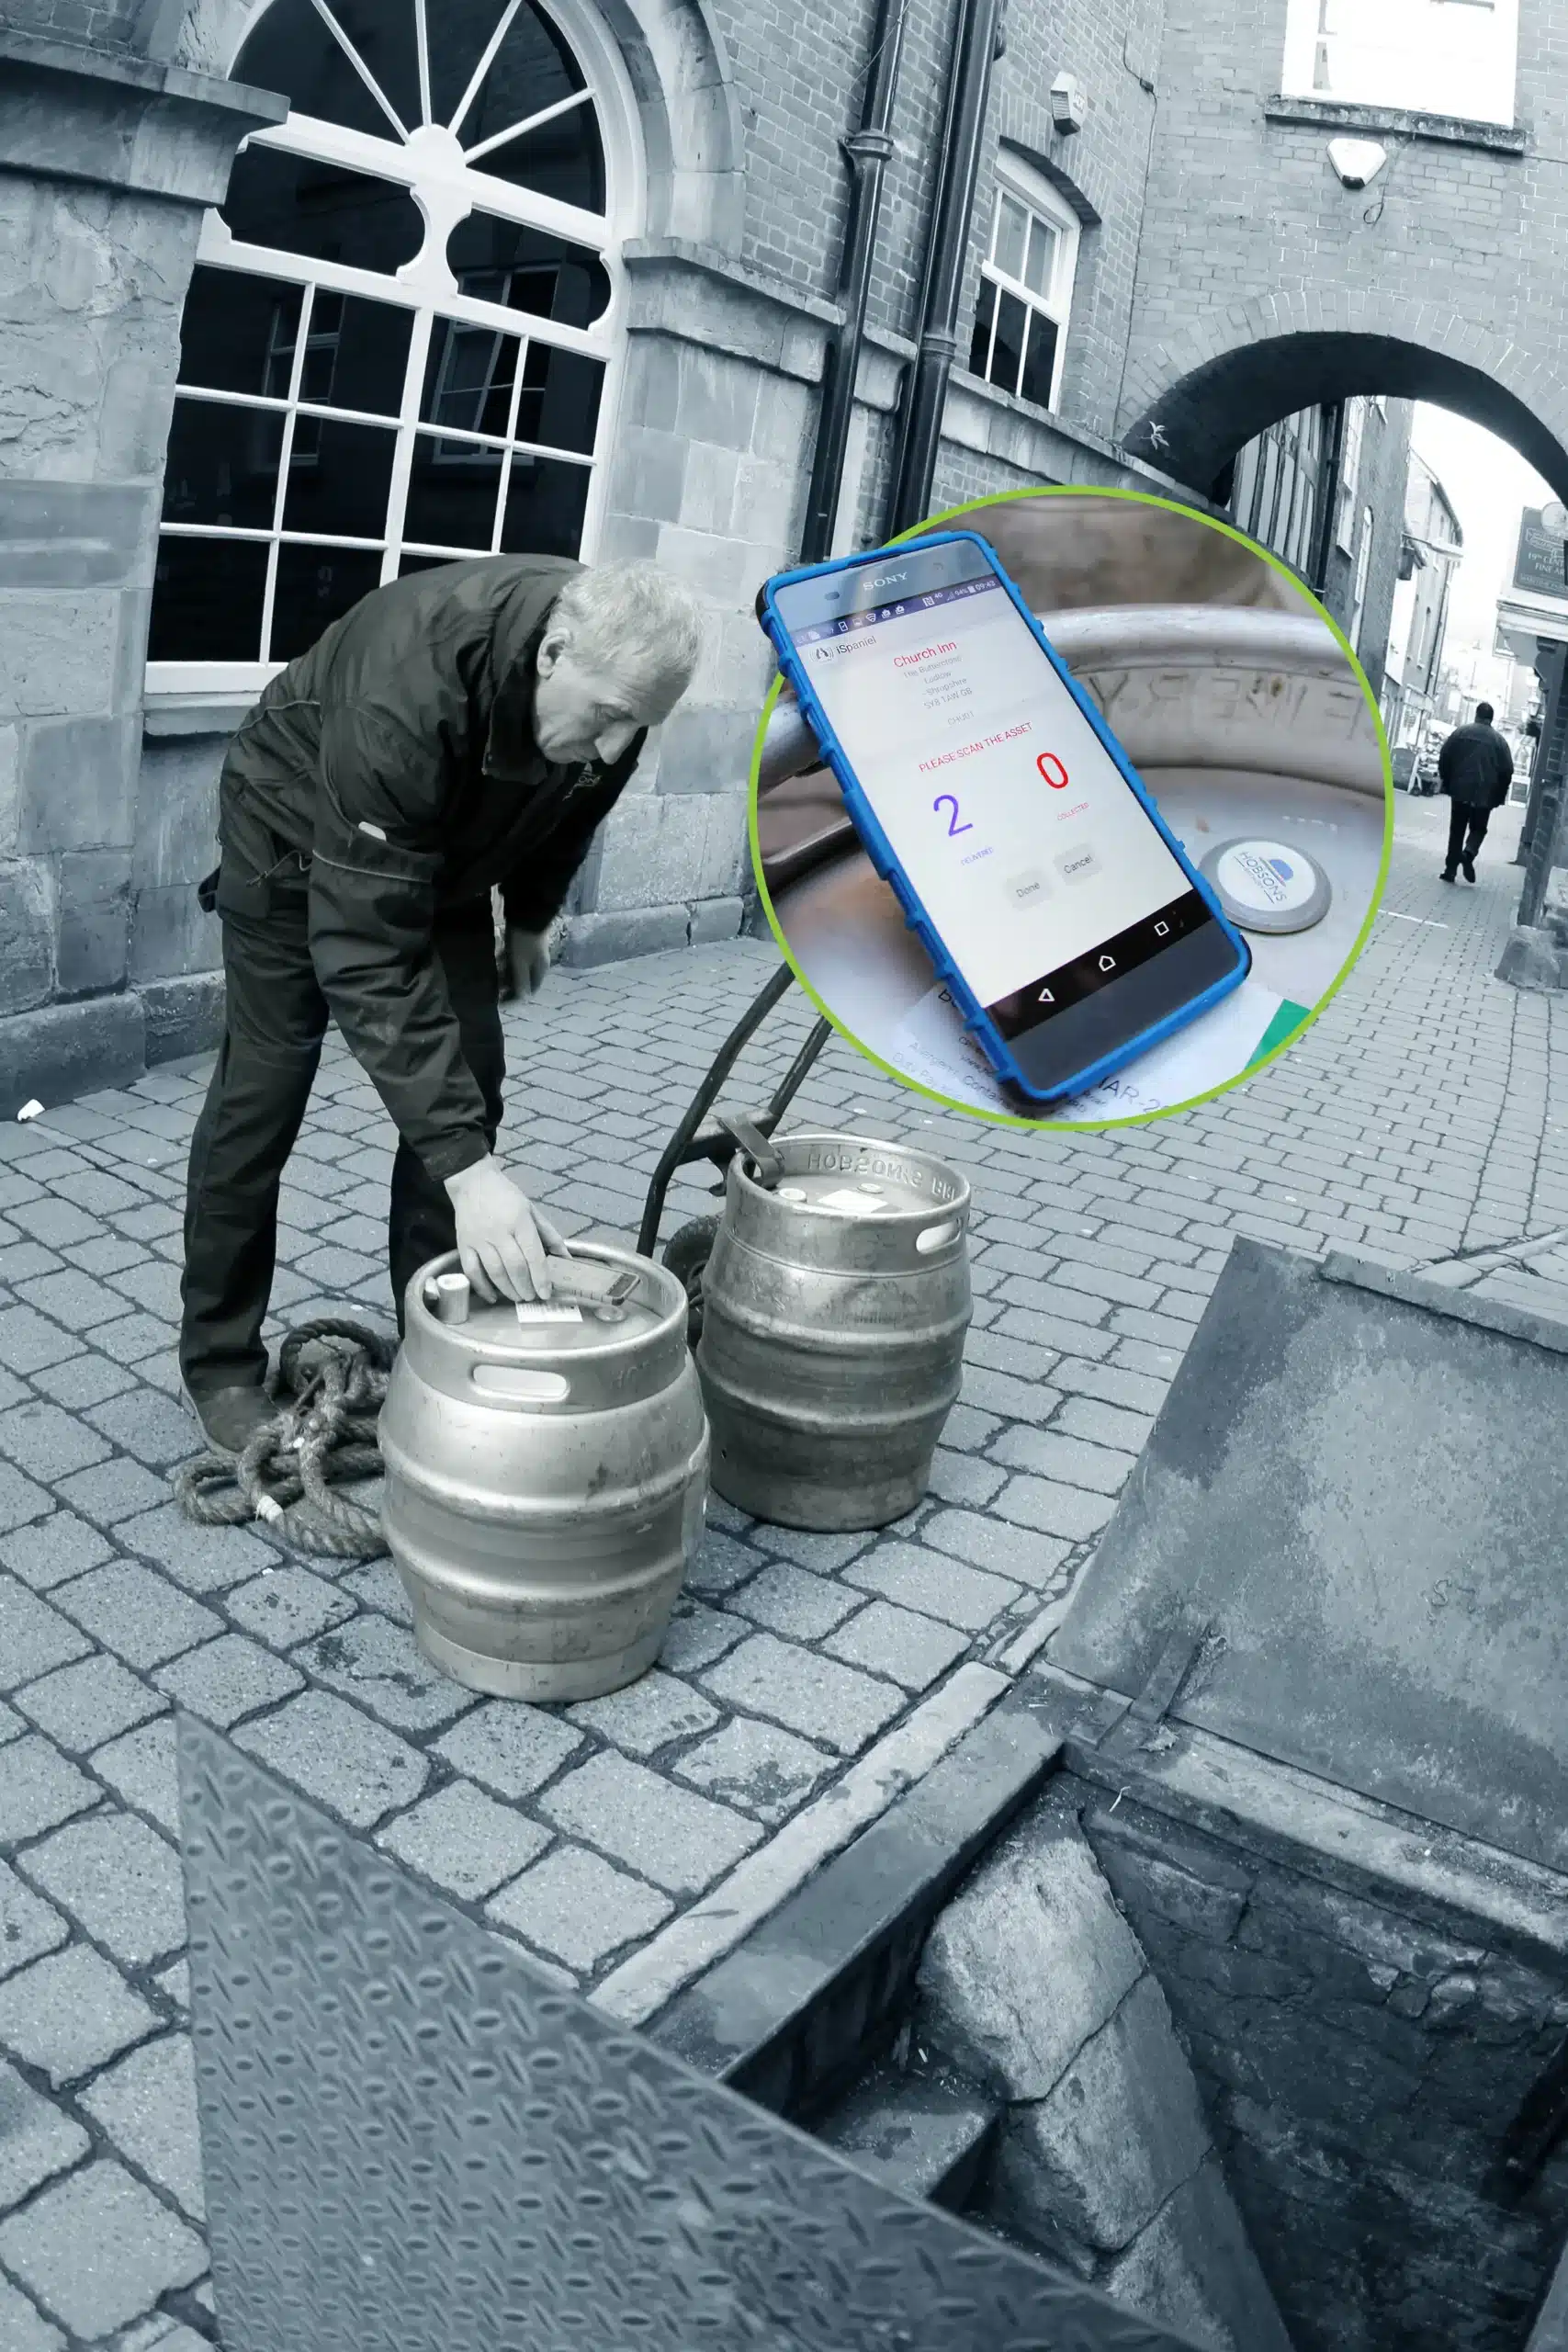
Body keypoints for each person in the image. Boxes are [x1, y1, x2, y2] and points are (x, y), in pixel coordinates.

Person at [178, 554, 705, 1454]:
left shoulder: (613, 687)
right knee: (262, 1095)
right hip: (291, 839)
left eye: (639, 726)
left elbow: (573, 807)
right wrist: (469, 1168)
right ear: (554, 653)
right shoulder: (405, 690)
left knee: (470, 1075)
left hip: (443, 848)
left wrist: (531, 921)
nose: (619, 746)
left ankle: (433, 1335)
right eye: (612, 718)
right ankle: (221, 1361)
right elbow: (365, 948)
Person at [1438, 701, 1514, 884]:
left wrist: (1447, 782)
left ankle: (1450, 870)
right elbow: (1507, 770)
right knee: (1478, 828)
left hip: (1459, 790)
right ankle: (1468, 853)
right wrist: (1499, 794)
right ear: (1491, 719)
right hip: (1485, 795)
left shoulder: (1460, 733)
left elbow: (1444, 757)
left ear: (1476, 715)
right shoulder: (1499, 742)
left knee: (1456, 829)